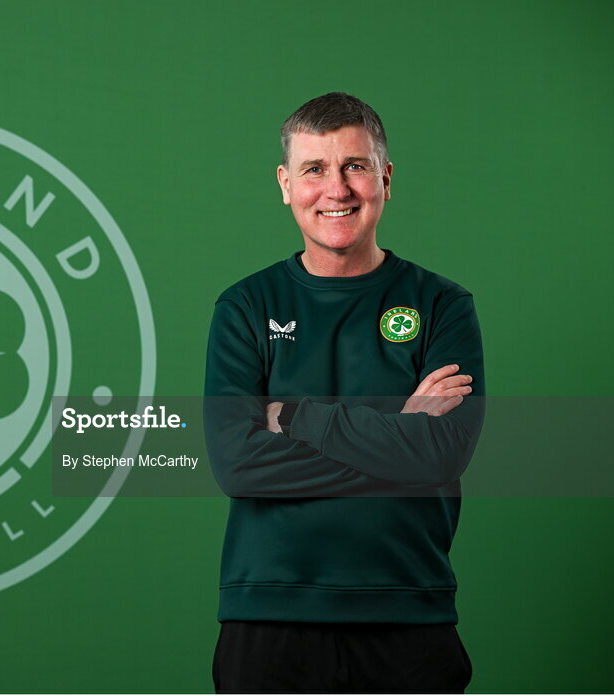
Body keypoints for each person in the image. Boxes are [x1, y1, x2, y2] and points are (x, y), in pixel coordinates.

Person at [203, 92, 485, 693]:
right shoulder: (245, 308)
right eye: (315, 169)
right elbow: (236, 464)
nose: (337, 189)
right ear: (285, 184)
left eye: (355, 166)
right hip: (269, 616)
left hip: (407, 614)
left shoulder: (443, 307)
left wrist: (297, 417)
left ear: (385, 177)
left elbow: (441, 455)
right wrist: (398, 435)